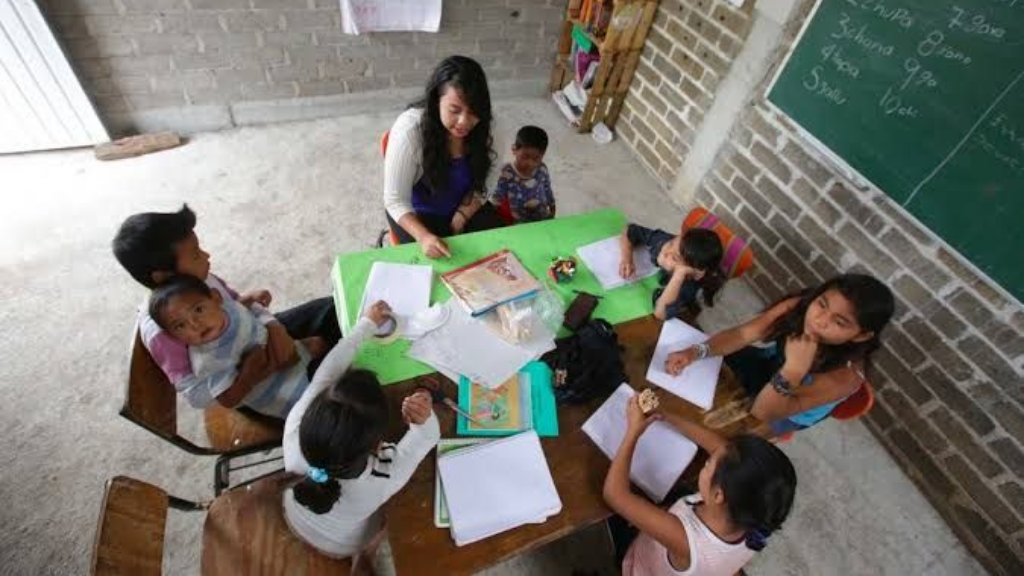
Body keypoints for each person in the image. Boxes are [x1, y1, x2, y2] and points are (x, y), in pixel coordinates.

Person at [112, 204, 341, 410]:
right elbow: (198, 395)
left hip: (253, 331)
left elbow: (237, 306)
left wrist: (274, 327)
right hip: (257, 384)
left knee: (332, 309)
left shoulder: (199, 279)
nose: (206, 255)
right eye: (195, 255)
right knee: (345, 388)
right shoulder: (161, 332)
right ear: (163, 276)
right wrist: (259, 370)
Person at [283, 300, 440, 572]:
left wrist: (364, 326)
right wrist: (424, 418)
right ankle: (367, 554)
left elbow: (325, 374)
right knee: (393, 514)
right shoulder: (381, 476)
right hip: (341, 546)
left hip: (292, 513)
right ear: (378, 444)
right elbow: (427, 438)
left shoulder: (296, 427)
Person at [666, 273, 895, 436]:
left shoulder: (844, 377)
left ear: (861, 336)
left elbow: (763, 412)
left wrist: (793, 370)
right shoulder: (800, 305)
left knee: (728, 437)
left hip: (787, 410)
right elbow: (745, 333)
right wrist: (695, 352)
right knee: (710, 361)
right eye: (822, 304)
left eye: (839, 321)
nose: (819, 320)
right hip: (771, 365)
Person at [604, 396, 797, 576]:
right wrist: (664, 414)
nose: (711, 457)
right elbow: (721, 448)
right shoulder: (754, 515)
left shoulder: (685, 540)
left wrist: (633, 432)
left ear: (718, 495)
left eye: (708, 463)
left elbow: (615, 495)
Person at [148, 275, 326, 418]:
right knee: (326, 400)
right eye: (180, 325)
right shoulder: (208, 361)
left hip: (288, 354)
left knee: (320, 342)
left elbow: (250, 315)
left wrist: (257, 303)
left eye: (198, 310)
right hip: (279, 392)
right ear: (174, 336)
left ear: (216, 299)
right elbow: (228, 400)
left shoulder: (231, 309)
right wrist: (249, 374)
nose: (195, 324)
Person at [382, 55, 504, 258]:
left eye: (474, 112)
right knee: (428, 270)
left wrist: (461, 217)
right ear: (436, 101)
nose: (464, 122)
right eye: (454, 110)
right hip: (416, 214)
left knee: (499, 252)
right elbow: (395, 200)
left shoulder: (490, 129)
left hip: (464, 206)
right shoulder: (410, 130)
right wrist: (423, 237)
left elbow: (486, 184)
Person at [619, 222, 725, 320]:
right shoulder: (665, 243)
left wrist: (679, 275)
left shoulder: (686, 285)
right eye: (671, 243)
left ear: (689, 271)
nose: (665, 251)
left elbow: (660, 314)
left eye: (674, 258)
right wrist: (626, 258)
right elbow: (630, 230)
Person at [490, 125, 556, 224]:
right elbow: (497, 198)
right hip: (520, 222)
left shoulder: (542, 168)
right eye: (525, 157)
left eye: (536, 158)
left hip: (542, 217)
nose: (530, 163)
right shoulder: (506, 173)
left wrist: (552, 206)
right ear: (514, 149)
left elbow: (547, 188)